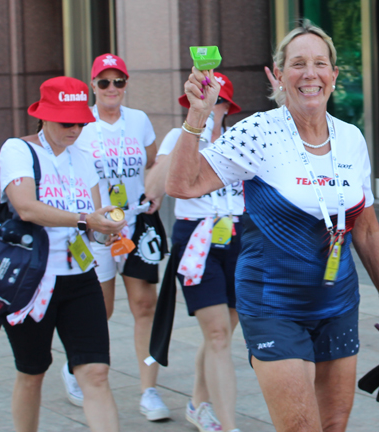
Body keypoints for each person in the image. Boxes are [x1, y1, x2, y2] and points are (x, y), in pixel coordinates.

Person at [164, 21, 379, 432]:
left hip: (337, 302)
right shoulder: (258, 132)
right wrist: (197, 115)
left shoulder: (352, 138)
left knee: (334, 425)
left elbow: (368, 230)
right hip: (273, 304)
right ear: (277, 75)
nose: (310, 74)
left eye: (321, 63)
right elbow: (181, 186)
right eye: (297, 64)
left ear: (334, 76)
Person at [0, 76, 124, 432]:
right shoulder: (18, 150)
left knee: (96, 373)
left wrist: (110, 228)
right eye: (66, 122)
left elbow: (96, 221)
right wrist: (85, 218)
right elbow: (26, 208)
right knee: (32, 371)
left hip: (80, 277)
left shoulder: (84, 159)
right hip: (31, 280)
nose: (75, 129)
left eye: (81, 122)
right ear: (44, 116)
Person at [66, 53, 169, 421]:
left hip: (136, 224)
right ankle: (75, 365)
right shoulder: (82, 125)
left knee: (145, 306)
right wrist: (94, 221)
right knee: (100, 309)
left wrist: (154, 192)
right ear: (93, 86)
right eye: (104, 82)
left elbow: (153, 162)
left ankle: (149, 390)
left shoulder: (138, 121)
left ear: (126, 84)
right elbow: (73, 172)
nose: (112, 89)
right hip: (98, 227)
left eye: (119, 81)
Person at [145, 72, 243, 432]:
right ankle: (228, 424)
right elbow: (152, 190)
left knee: (224, 331)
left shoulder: (237, 138)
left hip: (237, 235)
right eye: (199, 101)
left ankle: (198, 403)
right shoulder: (179, 136)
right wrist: (191, 135)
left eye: (215, 101)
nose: (207, 106)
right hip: (196, 239)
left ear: (227, 106)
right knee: (217, 333)